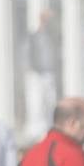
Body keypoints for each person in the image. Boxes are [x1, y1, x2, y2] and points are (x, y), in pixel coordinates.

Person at [24, 10, 58, 143]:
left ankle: (47, 129)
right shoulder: (33, 37)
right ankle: (35, 131)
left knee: (49, 102)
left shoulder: (52, 36)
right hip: (36, 74)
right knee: (36, 103)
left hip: (48, 74)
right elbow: (27, 55)